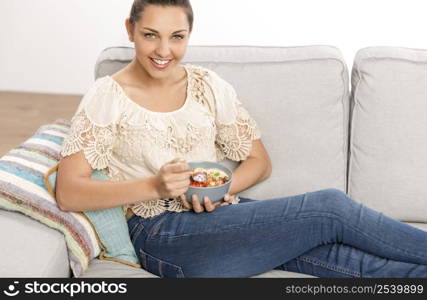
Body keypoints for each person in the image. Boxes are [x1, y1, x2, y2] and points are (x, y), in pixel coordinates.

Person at [56, 0, 427, 278]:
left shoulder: (206, 86)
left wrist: (219, 187)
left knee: (346, 259)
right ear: (130, 29)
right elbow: (70, 191)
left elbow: (259, 161)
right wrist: (154, 185)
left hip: (222, 216)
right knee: (331, 208)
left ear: (189, 36)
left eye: (177, 37)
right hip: (160, 233)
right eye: (150, 35)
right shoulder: (108, 94)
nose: (163, 51)